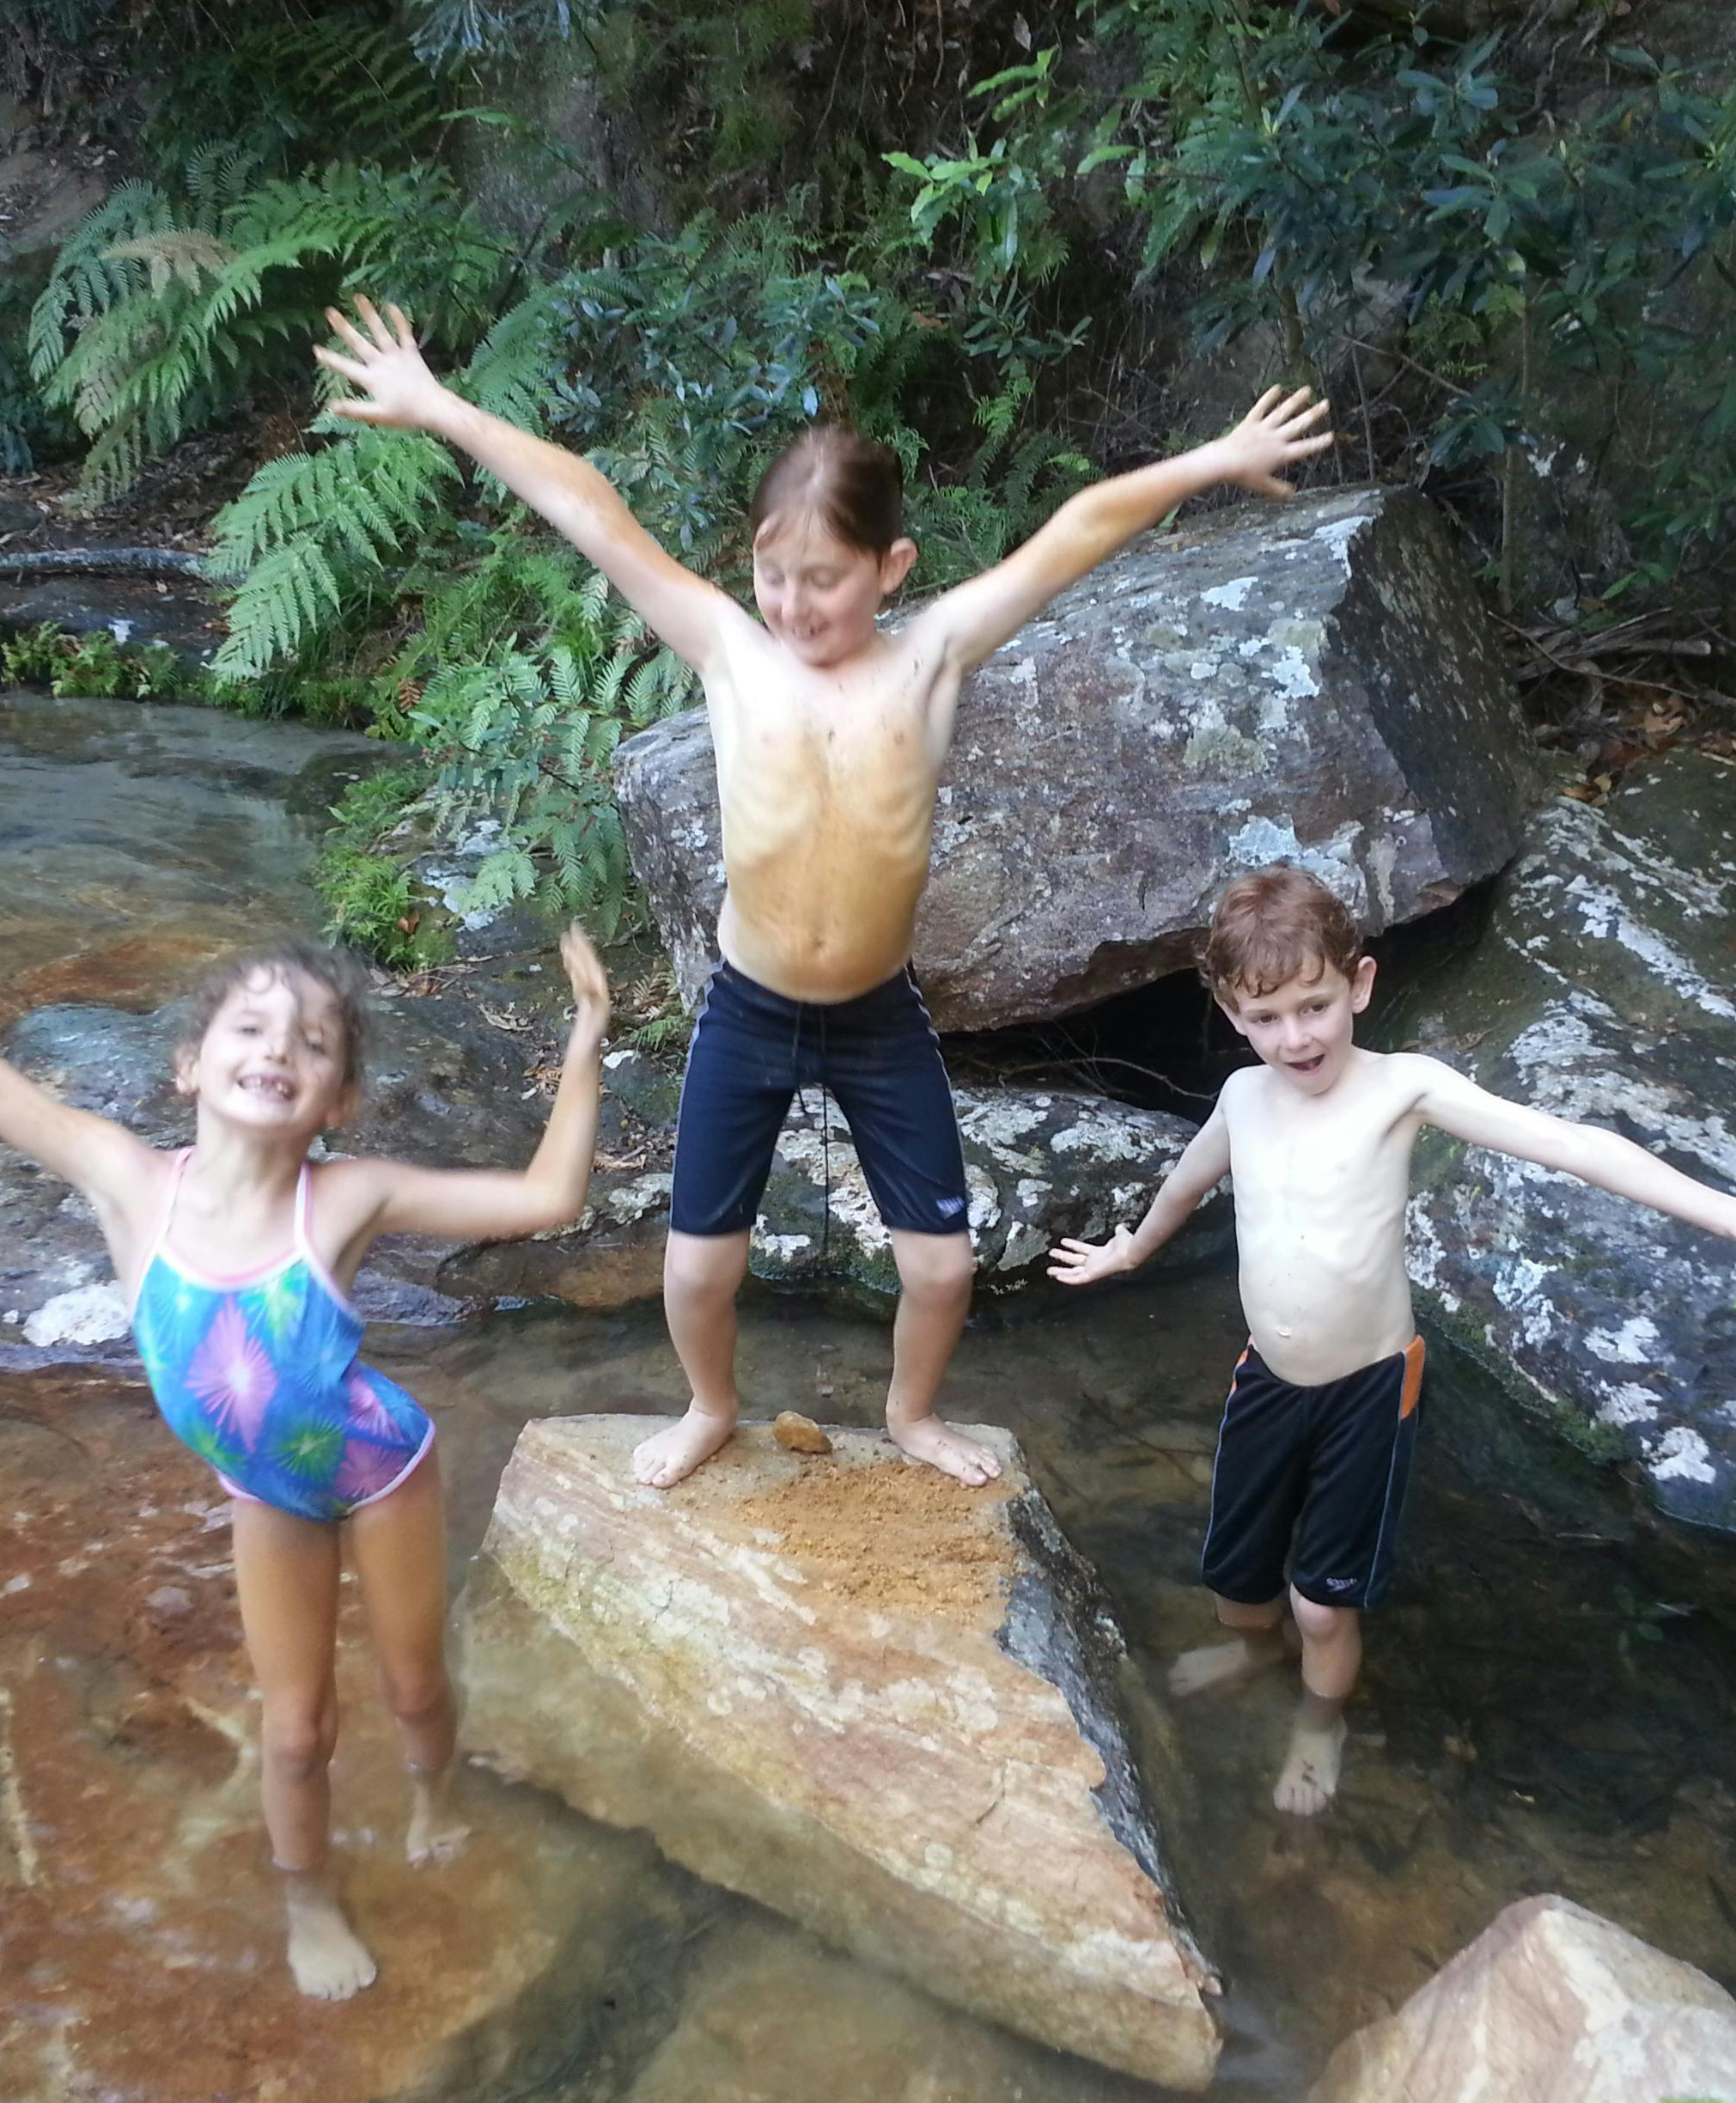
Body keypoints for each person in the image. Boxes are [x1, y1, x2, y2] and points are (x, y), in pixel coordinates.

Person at [313, 296, 1335, 1490]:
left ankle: (912, 1415)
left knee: (941, 1266)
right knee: (698, 1266)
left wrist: (1212, 460)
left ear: (891, 567)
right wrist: (441, 406)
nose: (793, 604)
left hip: (876, 1017)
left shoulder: (932, 658)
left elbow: (1074, 531)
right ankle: (709, 1405)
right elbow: (588, 506)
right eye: (772, 573)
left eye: (825, 580)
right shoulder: (728, 652)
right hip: (748, 1008)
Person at [0, 753, 612, 1999]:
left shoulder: (350, 1196)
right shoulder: (125, 1183)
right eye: (249, 1027)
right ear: (190, 1065)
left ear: (337, 1099)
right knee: (296, 1728)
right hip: (269, 1494)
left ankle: (433, 1794)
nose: (279, 1048)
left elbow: (548, 1197)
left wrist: (584, 1038)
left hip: (382, 1467)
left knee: (416, 1687)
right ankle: (308, 1898)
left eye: (312, 1042)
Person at [1049, 865, 1736, 1816]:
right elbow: (1189, 1179)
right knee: (1237, 1579)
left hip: (1368, 1392)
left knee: (1320, 1602)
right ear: (1231, 1014)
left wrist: (1733, 1213)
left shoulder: (1402, 1089)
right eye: (1267, 1018)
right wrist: (1130, 1250)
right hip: (1269, 1380)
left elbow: (1574, 1144)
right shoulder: (1245, 1097)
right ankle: (1250, 1650)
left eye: (1314, 1006)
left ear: (1360, 985)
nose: (1296, 1038)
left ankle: (1320, 1723)